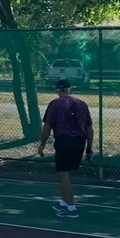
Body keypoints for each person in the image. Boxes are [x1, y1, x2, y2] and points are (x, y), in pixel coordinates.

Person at [36, 78, 93, 219]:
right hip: (80, 141)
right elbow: (89, 128)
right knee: (67, 173)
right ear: (70, 89)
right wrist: (89, 148)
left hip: (64, 141)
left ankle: (71, 208)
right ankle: (64, 202)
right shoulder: (82, 104)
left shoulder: (55, 104)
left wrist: (42, 143)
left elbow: (47, 126)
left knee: (64, 173)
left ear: (57, 91)